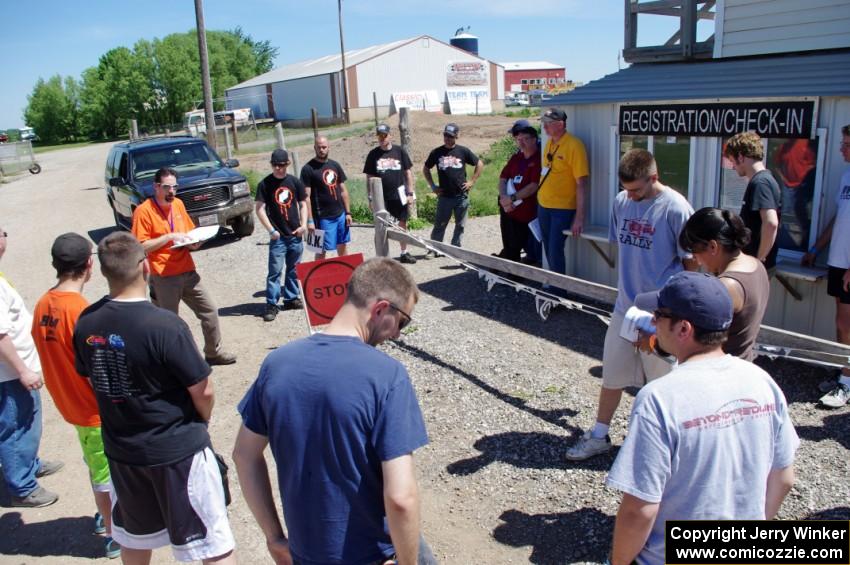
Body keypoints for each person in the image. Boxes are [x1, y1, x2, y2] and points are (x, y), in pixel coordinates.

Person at [233, 257, 435, 565]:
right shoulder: (387, 376)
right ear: (381, 309)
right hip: (373, 554)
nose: (397, 335)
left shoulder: (276, 364)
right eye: (402, 322)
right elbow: (401, 498)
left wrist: (274, 536)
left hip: (306, 553)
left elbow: (244, 455)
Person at [606, 271, 798, 565]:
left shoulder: (659, 398)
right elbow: (783, 478)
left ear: (683, 328)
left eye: (658, 314)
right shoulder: (762, 382)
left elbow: (639, 510)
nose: (653, 321)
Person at [73, 232, 235, 565]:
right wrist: (201, 419)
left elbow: (91, 379)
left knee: (133, 537)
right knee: (211, 543)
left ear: (102, 271)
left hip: (122, 451)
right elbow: (202, 389)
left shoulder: (86, 322)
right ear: (145, 267)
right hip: (176, 452)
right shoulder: (165, 325)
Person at [566, 149, 696, 461]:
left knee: (663, 383)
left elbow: (692, 267)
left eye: (637, 189)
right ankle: (599, 435)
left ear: (654, 177)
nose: (631, 197)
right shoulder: (621, 202)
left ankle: (668, 447)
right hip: (625, 308)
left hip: (663, 316)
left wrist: (680, 314)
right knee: (612, 374)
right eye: (626, 189)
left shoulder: (675, 208)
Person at [31, 233, 119, 558]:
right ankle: (113, 531)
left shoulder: (43, 304)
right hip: (92, 410)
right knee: (105, 474)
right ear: (89, 265)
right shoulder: (80, 312)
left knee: (96, 464)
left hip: (71, 405)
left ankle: (106, 514)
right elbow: (98, 371)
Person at [131, 167, 236, 365]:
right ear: (156, 187)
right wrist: (169, 237)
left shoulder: (178, 204)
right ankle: (173, 364)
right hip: (164, 276)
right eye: (167, 187)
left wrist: (195, 243)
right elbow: (140, 246)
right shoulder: (143, 211)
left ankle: (214, 353)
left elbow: (189, 232)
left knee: (210, 311)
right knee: (170, 324)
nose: (172, 191)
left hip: (188, 271)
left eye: (175, 187)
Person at [0, 227, 63, 508]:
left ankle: (29, 463)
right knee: (16, 424)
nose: (5, 238)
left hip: (15, 370)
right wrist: (23, 370)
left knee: (26, 420)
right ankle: (22, 486)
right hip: (10, 372)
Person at [679, 208, 769, 361]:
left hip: (723, 373)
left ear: (713, 247)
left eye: (695, 252)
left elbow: (697, 340)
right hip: (744, 364)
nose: (696, 261)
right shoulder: (756, 265)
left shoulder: (726, 286)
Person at [802, 123, 850, 407]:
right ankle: (843, 374)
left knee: (847, 325)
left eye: (846, 144)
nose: (842, 149)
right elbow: (839, 218)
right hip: (837, 261)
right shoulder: (846, 176)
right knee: (840, 325)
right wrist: (815, 248)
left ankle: (845, 385)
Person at [256, 149, 308, 322]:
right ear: (271, 165)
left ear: (288, 164)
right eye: (275, 165)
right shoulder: (265, 184)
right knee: (275, 272)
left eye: (282, 165)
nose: (279, 168)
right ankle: (271, 303)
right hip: (278, 237)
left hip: (295, 234)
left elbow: (303, 204)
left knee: (294, 270)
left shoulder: (294, 182)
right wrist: (271, 230)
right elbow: (260, 209)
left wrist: (303, 225)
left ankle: (291, 298)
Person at [537, 108, 590, 275]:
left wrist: (579, 218)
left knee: (555, 249)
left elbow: (581, 183)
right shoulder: (549, 144)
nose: (544, 128)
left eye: (548, 124)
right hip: (543, 205)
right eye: (543, 123)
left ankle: (558, 291)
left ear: (560, 124)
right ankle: (554, 284)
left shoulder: (574, 145)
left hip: (562, 209)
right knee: (547, 246)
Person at [724, 131, 782, 272]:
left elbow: (771, 223)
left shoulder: (761, 183)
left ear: (740, 157)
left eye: (732, 161)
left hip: (755, 267)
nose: (732, 166)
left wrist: (758, 260)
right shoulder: (763, 180)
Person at [423, 123, 483, 253]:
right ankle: (434, 249)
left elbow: (479, 163)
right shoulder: (436, 152)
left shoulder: (463, 151)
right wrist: (433, 186)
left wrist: (472, 181)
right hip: (445, 196)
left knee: (460, 225)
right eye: (445, 135)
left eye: (450, 136)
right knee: (440, 225)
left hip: (461, 196)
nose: (447, 138)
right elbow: (426, 168)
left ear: (456, 136)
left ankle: (455, 248)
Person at [364, 123, 418, 264]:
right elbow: (369, 177)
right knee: (380, 225)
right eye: (380, 135)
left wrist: (410, 193)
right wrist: (370, 198)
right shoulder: (373, 154)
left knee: (402, 223)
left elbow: (408, 173)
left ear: (390, 135)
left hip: (399, 194)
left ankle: (403, 252)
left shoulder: (399, 151)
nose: (382, 138)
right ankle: (382, 255)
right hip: (380, 197)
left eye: (384, 135)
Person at [302, 136, 353, 260]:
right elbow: (306, 197)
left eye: (324, 147)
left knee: (342, 245)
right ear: (314, 148)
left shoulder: (335, 165)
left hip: (340, 215)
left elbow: (343, 191)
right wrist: (309, 221)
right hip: (321, 217)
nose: (321, 150)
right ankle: (318, 276)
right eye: (319, 147)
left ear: (329, 147)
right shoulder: (307, 169)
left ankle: (345, 273)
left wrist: (348, 213)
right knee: (319, 249)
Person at [497, 126, 541, 263]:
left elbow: (534, 185)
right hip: (508, 209)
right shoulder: (516, 158)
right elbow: (503, 178)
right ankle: (509, 275)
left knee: (522, 244)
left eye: (525, 139)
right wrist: (504, 198)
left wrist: (512, 198)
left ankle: (518, 276)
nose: (521, 143)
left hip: (526, 213)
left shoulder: (539, 159)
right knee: (509, 244)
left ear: (534, 139)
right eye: (518, 139)